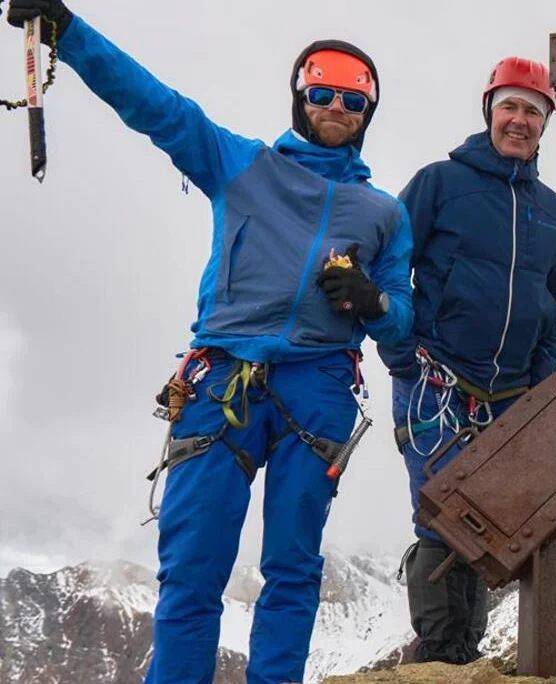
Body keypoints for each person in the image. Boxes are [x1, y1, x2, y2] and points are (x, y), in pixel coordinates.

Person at [2, 1, 414, 682]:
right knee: (192, 567)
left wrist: (372, 301)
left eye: (353, 98)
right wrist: (68, 33)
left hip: (319, 387)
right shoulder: (241, 164)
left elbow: (401, 319)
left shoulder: (383, 214)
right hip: (222, 375)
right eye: (322, 91)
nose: (337, 105)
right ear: (300, 97)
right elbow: (156, 105)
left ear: (367, 113)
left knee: (292, 568)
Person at [378, 56, 556, 664]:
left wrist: (539, 389)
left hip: (512, 394)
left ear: (545, 124)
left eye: (533, 111)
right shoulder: (440, 182)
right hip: (435, 381)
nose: (520, 120)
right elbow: (389, 264)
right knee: (442, 514)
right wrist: (401, 352)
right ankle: (441, 659)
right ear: (489, 110)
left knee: (488, 518)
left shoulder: (553, 212)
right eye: (510, 106)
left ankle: (465, 651)